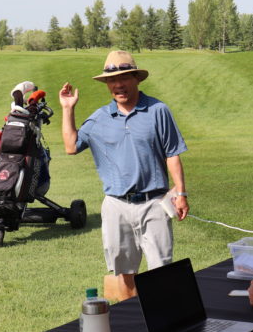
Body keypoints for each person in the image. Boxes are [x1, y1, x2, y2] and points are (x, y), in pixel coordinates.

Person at [59, 50, 189, 301]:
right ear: (107, 84)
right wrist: (67, 109)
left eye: (124, 78)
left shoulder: (158, 110)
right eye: (111, 80)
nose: (118, 85)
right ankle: (134, 321)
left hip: (155, 203)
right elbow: (71, 146)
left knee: (162, 270)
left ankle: (163, 322)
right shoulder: (100, 118)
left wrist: (181, 192)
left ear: (136, 78)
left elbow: (172, 153)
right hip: (116, 205)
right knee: (124, 272)